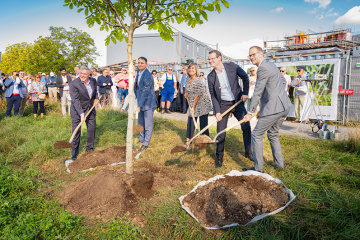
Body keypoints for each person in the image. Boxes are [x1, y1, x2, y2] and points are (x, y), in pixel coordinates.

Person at [243, 46, 291, 173]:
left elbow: (257, 92)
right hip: (284, 106)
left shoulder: (263, 68)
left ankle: (258, 169)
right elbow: (283, 82)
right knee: (272, 134)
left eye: (253, 54)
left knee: (256, 134)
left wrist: (249, 113)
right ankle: (279, 165)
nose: (251, 57)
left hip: (273, 108)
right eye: (250, 55)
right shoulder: (271, 65)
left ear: (261, 54)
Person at [207, 50, 252, 168]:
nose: (210, 61)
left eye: (212, 59)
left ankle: (249, 152)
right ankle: (219, 157)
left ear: (219, 58)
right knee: (221, 132)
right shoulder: (211, 77)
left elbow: (245, 78)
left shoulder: (232, 66)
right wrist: (217, 111)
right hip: (223, 105)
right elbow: (213, 96)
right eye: (209, 59)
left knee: (246, 126)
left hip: (237, 101)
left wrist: (245, 93)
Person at [69, 67, 99, 160]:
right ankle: (74, 154)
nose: (82, 75)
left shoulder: (93, 81)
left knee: (91, 129)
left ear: (89, 75)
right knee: (76, 131)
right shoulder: (74, 84)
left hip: (90, 109)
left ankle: (89, 149)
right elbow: (75, 100)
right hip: (77, 110)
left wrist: (96, 98)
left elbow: (94, 92)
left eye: (85, 74)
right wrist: (81, 114)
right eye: (81, 73)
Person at [185, 63, 212, 143]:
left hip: (202, 102)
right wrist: (186, 92)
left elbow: (198, 95)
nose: (191, 70)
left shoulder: (198, 80)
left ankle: (205, 140)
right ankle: (188, 140)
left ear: (196, 70)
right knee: (191, 120)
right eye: (189, 68)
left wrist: (193, 108)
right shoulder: (187, 78)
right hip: (193, 101)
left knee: (203, 122)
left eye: (193, 68)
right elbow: (186, 86)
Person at [134, 57, 157, 152]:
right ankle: (141, 139)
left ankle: (146, 143)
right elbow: (137, 88)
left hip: (148, 103)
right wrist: (138, 101)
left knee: (147, 124)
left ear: (146, 64)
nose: (140, 64)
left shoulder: (147, 75)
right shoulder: (138, 73)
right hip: (141, 102)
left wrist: (139, 105)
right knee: (141, 123)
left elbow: (145, 92)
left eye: (142, 63)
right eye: (138, 63)